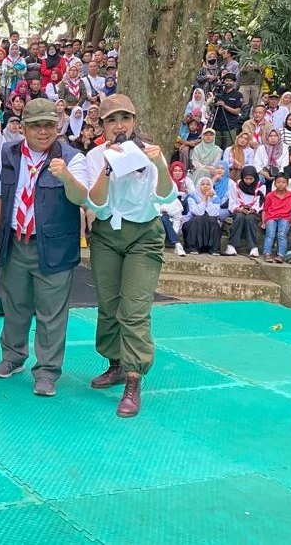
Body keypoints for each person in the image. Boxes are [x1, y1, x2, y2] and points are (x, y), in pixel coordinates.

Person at [83, 94, 177, 417]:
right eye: (111, 120)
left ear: (134, 122)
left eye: (125, 119)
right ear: (103, 126)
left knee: (134, 308)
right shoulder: (96, 156)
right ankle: (116, 364)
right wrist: (108, 168)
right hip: (107, 235)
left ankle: (133, 380)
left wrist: (159, 163)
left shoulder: (149, 153)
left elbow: (167, 194)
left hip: (144, 235)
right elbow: (94, 204)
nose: (119, 126)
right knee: (108, 305)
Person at [0, 99, 88, 396]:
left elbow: (82, 198)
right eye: (36, 126)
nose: (43, 132)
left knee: (51, 313)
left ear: (58, 126)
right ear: (23, 127)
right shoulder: (8, 153)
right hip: (16, 241)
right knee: (14, 305)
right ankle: (12, 357)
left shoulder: (72, 158)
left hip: (55, 248)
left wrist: (66, 176)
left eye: (49, 125)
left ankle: (46, 372)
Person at [225, 166, 264, 257]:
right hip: (239, 209)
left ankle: (253, 247)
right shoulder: (236, 185)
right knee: (240, 217)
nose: (249, 181)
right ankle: (231, 245)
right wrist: (238, 208)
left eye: (251, 179)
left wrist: (253, 209)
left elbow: (261, 202)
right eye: (246, 179)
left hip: (253, 212)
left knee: (249, 219)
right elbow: (232, 201)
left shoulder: (261, 186)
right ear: (242, 177)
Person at [262, 173, 291, 262]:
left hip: (285, 218)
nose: (281, 184)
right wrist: (263, 222)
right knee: (270, 234)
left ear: (287, 183)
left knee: (282, 234)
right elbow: (264, 210)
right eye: (278, 182)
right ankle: (267, 253)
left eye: (283, 182)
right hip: (271, 217)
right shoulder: (270, 195)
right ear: (274, 183)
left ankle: (281, 255)